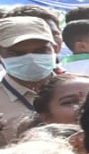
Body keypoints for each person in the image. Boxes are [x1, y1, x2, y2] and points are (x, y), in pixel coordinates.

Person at [0, 17, 61, 146]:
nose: (31, 58)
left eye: (40, 51)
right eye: (17, 53)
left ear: (55, 49)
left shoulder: (80, 89)